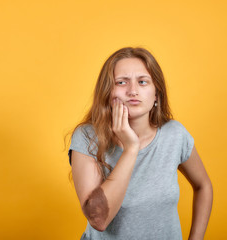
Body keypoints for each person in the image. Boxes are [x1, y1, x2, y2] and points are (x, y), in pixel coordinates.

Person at [66, 47, 213, 240]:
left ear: (156, 95)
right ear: (107, 92)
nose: (133, 91)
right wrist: (131, 149)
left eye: (143, 82)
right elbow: (99, 219)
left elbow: (203, 186)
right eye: (121, 82)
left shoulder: (175, 134)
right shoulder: (87, 137)